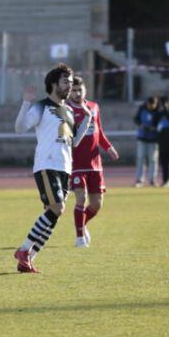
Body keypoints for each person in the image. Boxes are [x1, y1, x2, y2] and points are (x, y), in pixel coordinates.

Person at [12, 64, 94, 273]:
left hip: (64, 167)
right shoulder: (41, 106)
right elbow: (20, 129)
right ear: (53, 84)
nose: (70, 85)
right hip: (47, 164)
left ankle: (28, 259)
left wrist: (87, 119)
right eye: (66, 81)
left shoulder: (68, 110)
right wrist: (26, 103)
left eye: (71, 81)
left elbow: (73, 142)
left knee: (53, 214)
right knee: (57, 209)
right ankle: (23, 250)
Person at [67, 76, 119, 248]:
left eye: (79, 90)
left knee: (96, 204)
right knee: (80, 198)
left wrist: (109, 147)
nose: (77, 93)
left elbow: (99, 131)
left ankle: (81, 224)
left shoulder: (94, 107)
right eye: (73, 90)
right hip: (76, 165)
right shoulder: (66, 109)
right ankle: (79, 237)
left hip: (95, 164)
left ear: (85, 90)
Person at [133, 96, 161, 187]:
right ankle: (139, 180)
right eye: (150, 105)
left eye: (153, 105)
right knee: (140, 158)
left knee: (153, 160)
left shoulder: (159, 111)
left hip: (153, 139)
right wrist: (141, 125)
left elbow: (160, 123)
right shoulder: (142, 108)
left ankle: (152, 180)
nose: (151, 107)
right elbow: (136, 119)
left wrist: (154, 127)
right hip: (142, 138)